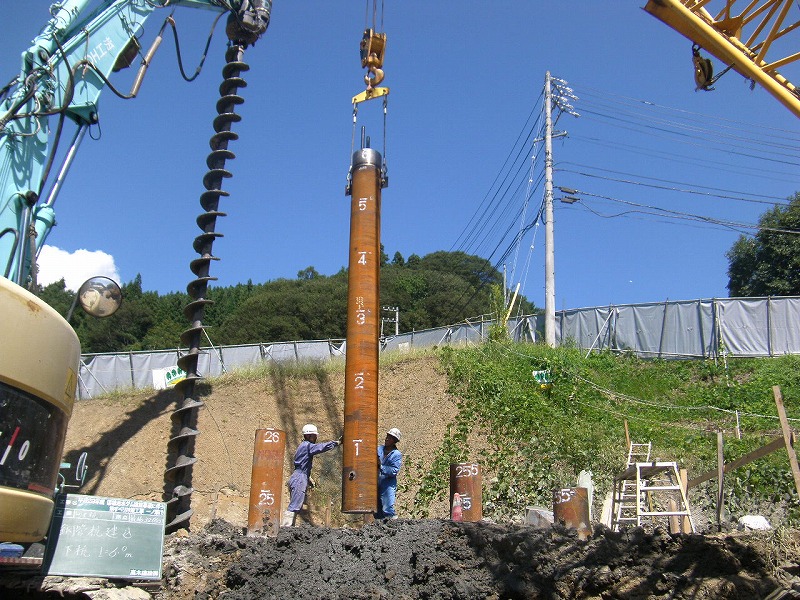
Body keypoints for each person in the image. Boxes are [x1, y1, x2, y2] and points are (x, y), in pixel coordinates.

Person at [282, 423, 341, 527]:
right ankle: (285, 529)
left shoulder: (302, 446)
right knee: (294, 505)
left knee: (296, 505)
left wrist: (308, 477)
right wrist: (336, 443)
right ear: (308, 435)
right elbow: (320, 448)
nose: (316, 437)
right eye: (314, 435)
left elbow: (301, 464)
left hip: (299, 476)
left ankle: (288, 529)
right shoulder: (307, 446)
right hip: (299, 478)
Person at [375, 427, 403, 520]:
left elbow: (394, 470)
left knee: (387, 508)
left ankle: (393, 527)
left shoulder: (396, 454)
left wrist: (381, 467)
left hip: (387, 485)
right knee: (376, 510)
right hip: (375, 483)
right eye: (387, 436)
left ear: (395, 440)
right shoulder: (379, 449)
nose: (387, 439)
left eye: (390, 437)